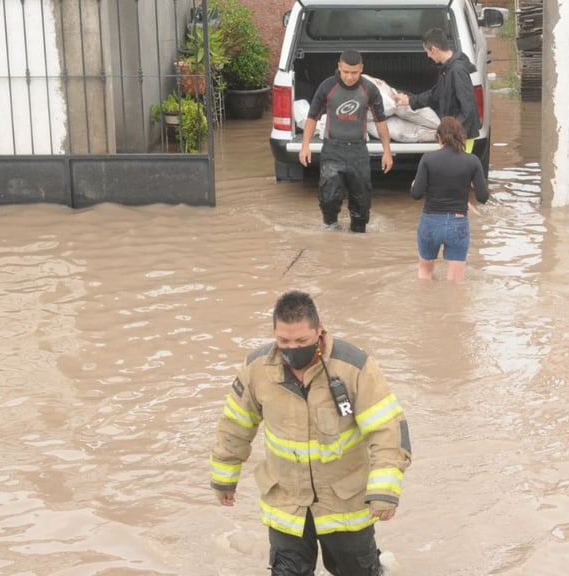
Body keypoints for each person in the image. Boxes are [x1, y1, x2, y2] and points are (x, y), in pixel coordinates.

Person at [209, 290, 412, 576]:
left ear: (319, 331)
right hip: (286, 503)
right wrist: (224, 479)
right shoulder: (257, 370)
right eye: (284, 342)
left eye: (302, 341)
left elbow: (388, 430)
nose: (292, 349)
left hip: (345, 504)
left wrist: (385, 491)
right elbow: (234, 426)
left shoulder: (354, 367)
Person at [300, 49, 393, 233]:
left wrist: (387, 152)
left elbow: (381, 122)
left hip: (358, 151)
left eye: (354, 73)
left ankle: (358, 238)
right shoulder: (327, 86)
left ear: (361, 69)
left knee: (361, 202)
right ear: (339, 67)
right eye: (345, 72)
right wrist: (305, 146)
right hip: (333, 149)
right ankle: (330, 231)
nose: (350, 77)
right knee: (329, 197)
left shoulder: (369, 89)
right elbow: (312, 117)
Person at [410, 116, 489, 282]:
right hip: (458, 223)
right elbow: (483, 197)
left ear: (439, 137)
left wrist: (414, 184)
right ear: (461, 136)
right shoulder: (472, 161)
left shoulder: (428, 159)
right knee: (455, 281)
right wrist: (474, 182)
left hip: (430, 222)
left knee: (424, 272)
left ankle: (425, 306)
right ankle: (453, 307)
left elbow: (416, 194)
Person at [394, 28, 480, 153]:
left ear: (434, 49)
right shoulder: (448, 69)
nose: (428, 56)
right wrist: (410, 100)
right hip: (453, 135)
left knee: (459, 171)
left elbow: (468, 109)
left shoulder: (457, 71)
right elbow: (435, 95)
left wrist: (452, 134)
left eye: (427, 52)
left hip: (460, 137)